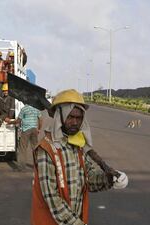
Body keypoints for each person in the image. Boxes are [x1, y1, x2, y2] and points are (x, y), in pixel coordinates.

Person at [31, 89, 128, 225]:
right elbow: (51, 197)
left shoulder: (78, 146)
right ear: (60, 117)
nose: (75, 122)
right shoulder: (46, 149)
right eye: (70, 117)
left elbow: (88, 179)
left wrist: (110, 179)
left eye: (79, 118)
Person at [15, 104, 42, 170]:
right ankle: (38, 166)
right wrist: (39, 129)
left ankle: (21, 166)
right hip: (34, 130)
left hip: (25, 130)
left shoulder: (24, 109)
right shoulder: (36, 108)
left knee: (22, 149)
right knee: (35, 148)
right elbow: (40, 119)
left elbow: (18, 121)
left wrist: (10, 122)